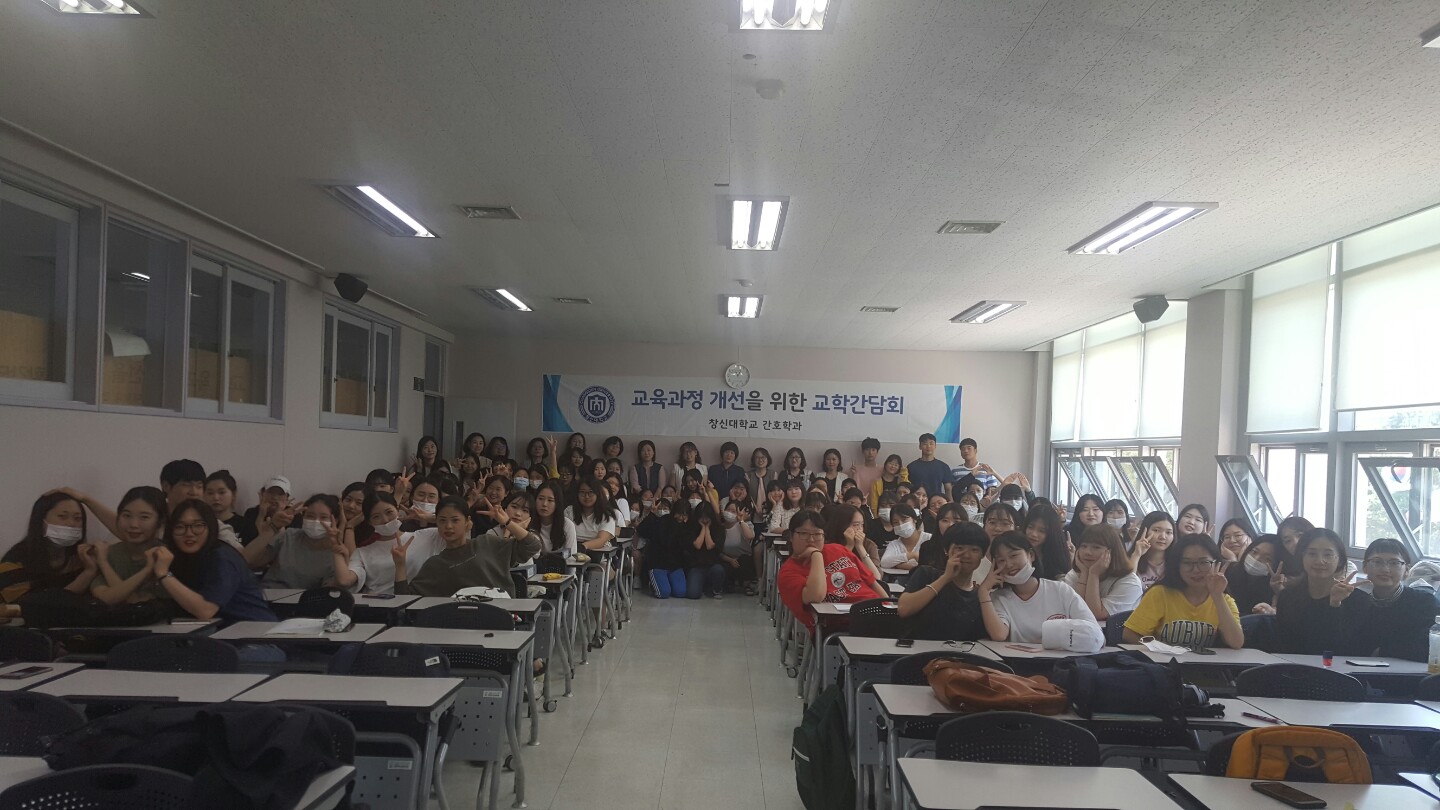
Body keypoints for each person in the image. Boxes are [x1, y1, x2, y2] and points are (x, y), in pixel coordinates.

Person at [150, 499, 275, 624]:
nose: (189, 533)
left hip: (253, 630)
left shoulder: (221, 557)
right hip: (210, 631)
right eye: (180, 527)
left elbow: (205, 610)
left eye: (198, 526)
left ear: (211, 528)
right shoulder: (177, 557)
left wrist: (164, 574)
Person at [394, 495, 541, 597]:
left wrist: (507, 522)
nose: (448, 526)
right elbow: (405, 599)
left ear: (467, 522)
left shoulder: (488, 543)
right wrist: (400, 565)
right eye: (442, 521)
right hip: (460, 624)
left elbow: (532, 546)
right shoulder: (435, 565)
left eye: (455, 520)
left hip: (501, 617)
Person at [1123, 534, 1244, 649]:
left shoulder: (1224, 600)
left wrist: (1217, 596)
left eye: (1203, 563)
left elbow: (1236, 642)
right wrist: (1161, 649)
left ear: (1217, 564)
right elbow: (1130, 634)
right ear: (1177, 566)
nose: (1195, 570)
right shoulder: (1159, 594)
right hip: (1162, 661)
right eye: (1187, 563)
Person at [979, 531, 1096, 643]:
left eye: (1013, 555)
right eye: (1001, 560)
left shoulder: (1061, 590)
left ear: (1031, 555)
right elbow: (999, 634)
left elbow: (1093, 630)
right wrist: (983, 591)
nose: (1009, 564)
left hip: (1062, 657)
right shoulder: (999, 598)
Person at [777, 510, 887, 629]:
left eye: (817, 534)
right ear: (791, 536)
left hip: (876, 613)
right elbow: (816, 596)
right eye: (804, 533)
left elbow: (873, 583)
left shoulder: (838, 550)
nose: (811, 540)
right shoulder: (788, 572)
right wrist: (816, 555)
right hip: (838, 625)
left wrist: (889, 605)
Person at [1273, 528, 1367, 655]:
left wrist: (1335, 605)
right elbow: (1282, 645)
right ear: (1301, 557)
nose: (1319, 561)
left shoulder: (1359, 601)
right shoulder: (1288, 597)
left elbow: (1342, 648)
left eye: (1328, 555)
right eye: (1312, 554)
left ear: (1339, 559)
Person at [334, 491, 444, 594]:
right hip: (377, 605)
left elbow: (454, 526)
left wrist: (426, 517)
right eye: (376, 517)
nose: (385, 520)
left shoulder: (427, 536)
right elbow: (345, 580)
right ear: (369, 522)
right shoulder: (362, 552)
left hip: (420, 602)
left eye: (389, 512)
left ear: (397, 510)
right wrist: (335, 546)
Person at [1349, 538, 1438, 662]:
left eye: (1394, 563)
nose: (1385, 569)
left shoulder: (1424, 602)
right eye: (1377, 562)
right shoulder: (1356, 603)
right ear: (1365, 567)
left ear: (1407, 570)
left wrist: (1382, 651)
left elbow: (1429, 648)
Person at [3, 491, 95, 608]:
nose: (71, 523)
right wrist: (88, 573)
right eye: (62, 516)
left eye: (78, 518)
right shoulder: (14, 560)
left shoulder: (82, 558)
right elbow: (31, 607)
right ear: (40, 520)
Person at [897, 523, 989, 641]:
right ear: (946, 550)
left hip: (958, 652)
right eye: (959, 548)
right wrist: (945, 578)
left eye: (974, 550)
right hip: (918, 650)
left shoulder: (980, 595)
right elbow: (904, 609)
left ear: (982, 555)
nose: (966, 555)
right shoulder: (927, 574)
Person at [245, 494, 351, 589]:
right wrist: (271, 529)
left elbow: (335, 587)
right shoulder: (288, 537)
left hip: (308, 601)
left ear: (335, 520)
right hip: (269, 595)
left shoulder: (336, 552)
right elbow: (249, 561)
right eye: (310, 516)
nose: (316, 521)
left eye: (323, 517)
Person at [92, 486, 169, 605]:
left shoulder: (167, 556)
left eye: (144, 517)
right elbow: (106, 598)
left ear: (160, 521)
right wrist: (103, 563)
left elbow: (137, 603)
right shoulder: (109, 554)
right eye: (127, 515)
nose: (133, 524)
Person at [1064, 524, 1143, 621]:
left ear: (1111, 552)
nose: (1087, 552)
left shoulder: (1130, 582)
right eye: (1083, 546)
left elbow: (1096, 614)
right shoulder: (1074, 574)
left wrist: (1093, 575)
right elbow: (1074, 611)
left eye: (1096, 547)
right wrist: (1084, 574)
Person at [1226, 534, 1285, 615]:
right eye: (1254, 552)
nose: (1256, 559)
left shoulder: (1274, 589)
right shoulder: (1228, 571)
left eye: (1268, 559)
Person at [719, 481, 757, 595]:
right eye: (728, 510)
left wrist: (741, 521)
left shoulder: (745, 524)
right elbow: (717, 550)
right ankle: (727, 585)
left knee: (745, 560)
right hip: (727, 559)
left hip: (743, 559)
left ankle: (746, 585)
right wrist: (730, 560)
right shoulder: (720, 528)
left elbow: (750, 536)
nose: (730, 513)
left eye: (733, 511)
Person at [826, 504, 883, 579]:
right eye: (856, 525)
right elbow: (834, 575)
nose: (860, 529)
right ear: (842, 525)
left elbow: (877, 577)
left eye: (862, 525)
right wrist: (849, 546)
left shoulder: (869, 545)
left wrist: (860, 547)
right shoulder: (828, 545)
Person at [685, 502, 726, 599]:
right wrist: (703, 528)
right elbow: (697, 545)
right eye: (701, 517)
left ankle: (716, 589)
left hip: (713, 565)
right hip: (696, 566)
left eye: (706, 517)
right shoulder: (691, 528)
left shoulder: (718, 529)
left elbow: (709, 545)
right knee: (693, 594)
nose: (704, 520)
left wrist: (707, 529)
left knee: (719, 570)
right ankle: (702, 586)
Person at [1022, 501, 1070, 582]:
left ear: (1051, 533)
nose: (1034, 534)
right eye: (1030, 527)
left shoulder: (1056, 556)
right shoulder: (1017, 550)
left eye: (1041, 531)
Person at [567, 477, 617, 551]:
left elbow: (601, 540)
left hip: (597, 553)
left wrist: (582, 547)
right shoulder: (569, 511)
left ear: (598, 493)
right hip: (572, 550)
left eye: (591, 492)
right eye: (582, 492)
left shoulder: (607, 515)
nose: (586, 496)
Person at [204, 471, 253, 545]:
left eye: (221, 492)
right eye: (210, 493)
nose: (216, 497)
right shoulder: (201, 524)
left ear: (233, 494)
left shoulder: (246, 526)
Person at [1133, 511, 1176, 590]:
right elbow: (1127, 585)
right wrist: (1136, 555)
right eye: (1156, 530)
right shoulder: (1131, 558)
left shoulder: (1177, 562)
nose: (1163, 537)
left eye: (1168, 532)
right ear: (1145, 531)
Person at [533, 479, 577, 556]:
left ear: (557, 503)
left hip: (560, 563)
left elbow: (571, 555)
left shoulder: (567, 525)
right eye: (541, 499)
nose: (544, 504)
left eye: (550, 500)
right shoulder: (528, 522)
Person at [878, 504, 928, 571]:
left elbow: (932, 564)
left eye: (904, 519)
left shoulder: (929, 539)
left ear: (914, 520)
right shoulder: (894, 544)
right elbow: (884, 562)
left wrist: (899, 565)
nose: (900, 525)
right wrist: (912, 555)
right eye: (895, 522)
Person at [907, 433, 951, 501]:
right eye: (925, 444)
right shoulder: (911, 467)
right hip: (917, 502)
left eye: (931, 443)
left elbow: (948, 489)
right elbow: (908, 488)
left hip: (936, 503)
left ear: (935, 446)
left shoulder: (943, 466)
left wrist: (950, 503)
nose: (928, 446)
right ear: (920, 446)